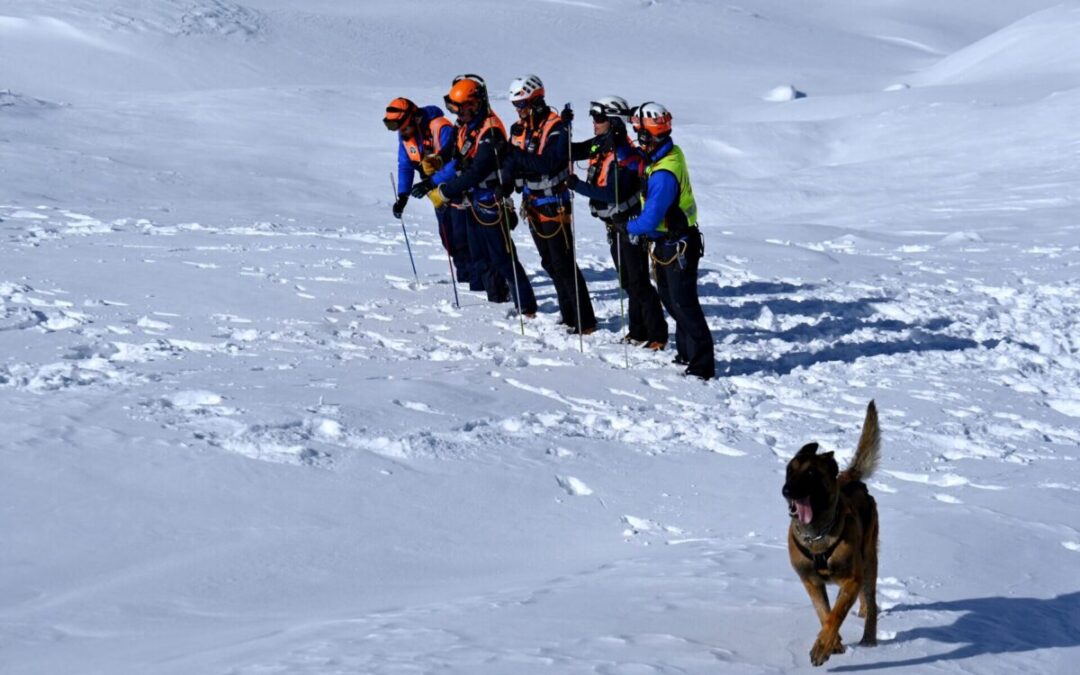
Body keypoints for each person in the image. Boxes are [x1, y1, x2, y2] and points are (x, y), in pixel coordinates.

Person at [411, 75, 536, 316]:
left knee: (502, 257)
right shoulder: (466, 125)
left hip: (489, 200)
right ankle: (495, 301)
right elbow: (455, 151)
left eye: (460, 109)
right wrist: (437, 163)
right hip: (472, 200)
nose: (457, 115)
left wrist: (445, 191)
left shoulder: (491, 132)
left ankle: (526, 306)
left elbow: (477, 170)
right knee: (478, 255)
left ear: (473, 104)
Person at [566, 96, 667, 350]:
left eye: (599, 119)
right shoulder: (602, 145)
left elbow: (613, 194)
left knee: (638, 281)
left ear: (613, 122)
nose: (594, 123)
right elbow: (577, 151)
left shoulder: (623, 155)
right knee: (627, 280)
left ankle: (657, 333)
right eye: (594, 118)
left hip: (629, 225)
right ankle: (638, 330)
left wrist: (577, 185)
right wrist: (564, 130)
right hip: (615, 227)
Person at [626, 102, 715, 380]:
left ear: (648, 135)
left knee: (685, 304)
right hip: (669, 244)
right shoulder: (668, 153)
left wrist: (627, 226)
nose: (638, 138)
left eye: (639, 133)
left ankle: (702, 365)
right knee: (671, 299)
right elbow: (635, 158)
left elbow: (650, 219)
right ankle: (686, 353)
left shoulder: (664, 173)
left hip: (678, 245)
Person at [505, 74, 596, 335]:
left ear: (535, 101)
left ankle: (584, 320)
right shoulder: (520, 129)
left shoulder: (557, 127)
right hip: (532, 203)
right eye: (516, 107)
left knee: (564, 263)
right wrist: (506, 186)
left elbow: (547, 163)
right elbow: (513, 163)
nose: (519, 112)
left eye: (522, 105)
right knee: (549, 263)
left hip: (554, 203)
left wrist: (513, 153)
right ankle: (568, 315)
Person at [383, 98, 478, 290]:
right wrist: (403, 196)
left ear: (413, 119)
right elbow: (406, 165)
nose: (400, 132)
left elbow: (456, 162)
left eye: (401, 126)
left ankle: (477, 283)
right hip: (436, 193)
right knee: (448, 238)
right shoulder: (406, 135)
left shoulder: (441, 128)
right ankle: (466, 280)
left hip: (458, 189)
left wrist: (430, 182)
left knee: (463, 237)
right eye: (395, 128)